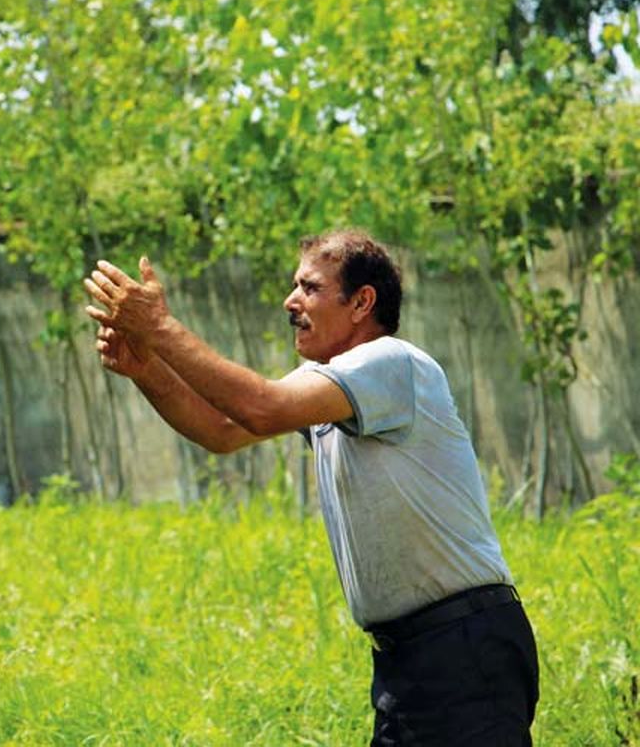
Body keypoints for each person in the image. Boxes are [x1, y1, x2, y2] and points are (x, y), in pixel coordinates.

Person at [83, 229, 540, 745]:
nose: (290, 301)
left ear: (361, 302)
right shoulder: (329, 379)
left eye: (310, 288)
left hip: (461, 648)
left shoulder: (390, 362)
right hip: (409, 657)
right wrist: (147, 370)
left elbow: (262, 407)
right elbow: (225, 430)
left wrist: (160, 327)